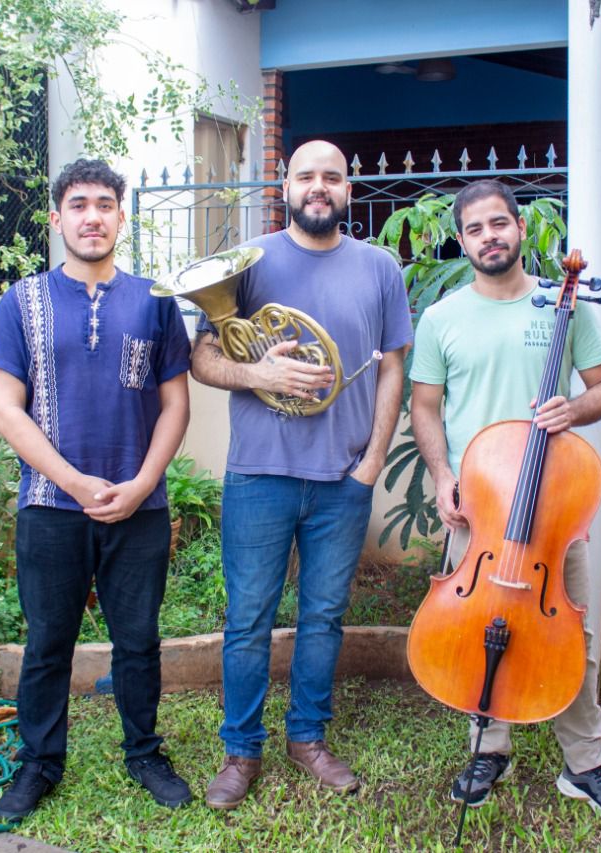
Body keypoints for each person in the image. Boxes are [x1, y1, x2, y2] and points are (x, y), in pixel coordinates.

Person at [190, 140, 413, 809]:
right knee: (249, 618)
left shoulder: (379, 268)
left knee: (323, 617)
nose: (319, 187)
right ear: (285, 184)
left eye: (333, 177)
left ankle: (307, 737)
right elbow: (203, 356)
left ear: (350, 187)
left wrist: (371, 462)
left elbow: (393, 365)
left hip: (342, 476)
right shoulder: (248, 264)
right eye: (307, 176)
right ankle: (240, 750)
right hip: (259, 472)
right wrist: (258, 373)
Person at [407, 179, 601, 821]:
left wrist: (576, 406)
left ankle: (585, 762)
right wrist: (439, 473)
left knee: (577, 638)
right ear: (463, 239)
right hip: (478, 508)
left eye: (500, 224)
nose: (490, 236)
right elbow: (425, 405)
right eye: (476, 228)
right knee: (476, 626)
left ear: (519, 228)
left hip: (554, 508)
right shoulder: (442, 318)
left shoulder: (560, 304)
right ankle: (490, 748)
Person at [0, 158, 193, 819]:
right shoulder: (21, 302)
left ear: (121, 217)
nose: (93, 215)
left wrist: (142, 483)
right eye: (79, 204)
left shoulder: (155, 300)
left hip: (139, 506)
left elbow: (177, 404)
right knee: (48, 641)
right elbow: (6, 409)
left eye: (105, 204)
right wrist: (74, 481)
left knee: (139, 639)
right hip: (51, 508)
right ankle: (39, 764)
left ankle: (145, 753)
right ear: (56, 218)